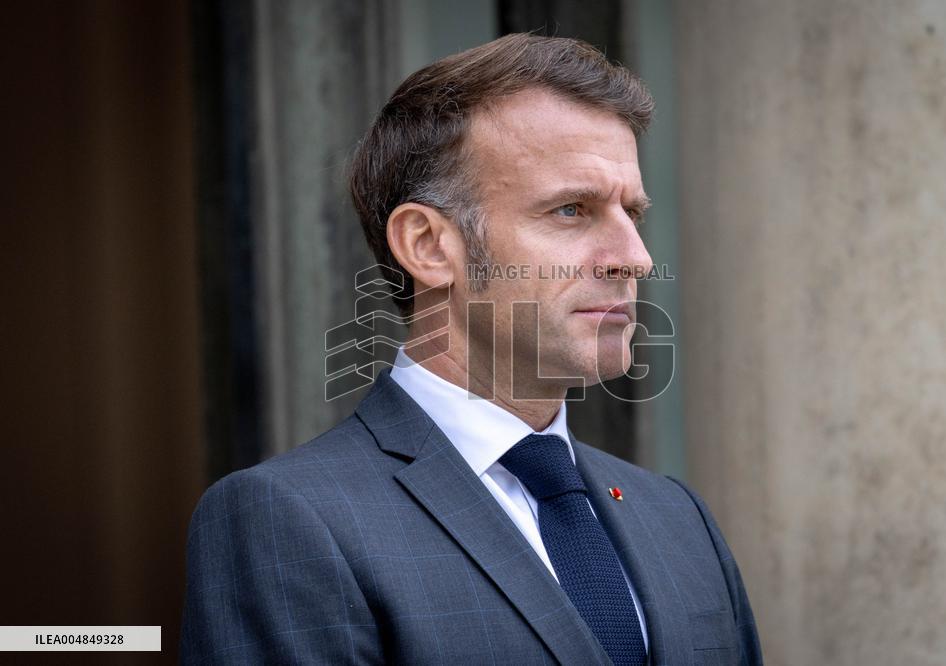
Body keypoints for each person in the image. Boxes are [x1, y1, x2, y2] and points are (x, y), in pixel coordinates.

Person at [181, 33, 762, 665]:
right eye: (572, 210)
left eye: (632, 214)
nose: (635, 258)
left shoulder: (678, 517)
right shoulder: (287, 520)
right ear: (428, 246)